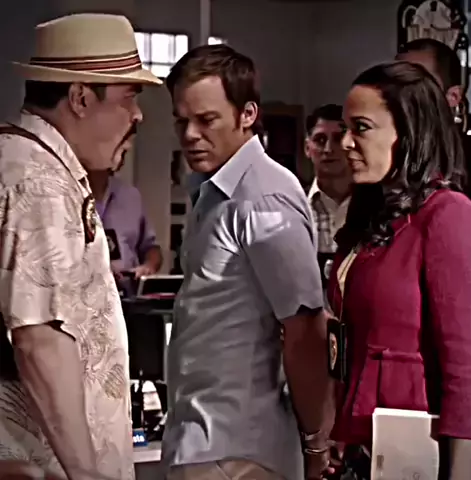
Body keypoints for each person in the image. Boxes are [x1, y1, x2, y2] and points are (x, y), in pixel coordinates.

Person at [161, 44, 335, 480]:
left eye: (206, 120)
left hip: (239, 447)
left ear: (248, 114)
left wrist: (316, 442)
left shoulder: (263, 196)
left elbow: (305, 327)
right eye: (181, 121)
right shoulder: (213, 190)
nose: (190, 135)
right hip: (204, 437)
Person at [0, 13, 161, 480]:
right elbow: (40, 338)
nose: (138, 115)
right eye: (129, 96)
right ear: (81, 98)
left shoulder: (37, 166)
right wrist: (86, 474)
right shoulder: (38, 182)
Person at [327, 61, 471, 479]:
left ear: (409, 132)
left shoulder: (448, 215)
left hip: (416, 454)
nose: (345, 143)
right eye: (345, 128)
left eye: (361, 128)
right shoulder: (375, 218)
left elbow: (468, 367)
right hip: (364, 451)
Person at [396, 38, 471, 205]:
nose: (401, 93)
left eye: (417, 82)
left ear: (453, 96)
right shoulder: (381, 159)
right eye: (394, 82)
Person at [87, 139, 163, 291]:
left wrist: (148, 267)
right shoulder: (63, 195)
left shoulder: (130, 195)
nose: (127, 146)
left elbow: (151, 248)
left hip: (127, 295)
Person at [304, 104, 352, 287]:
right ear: (307, 148)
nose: (328, 149)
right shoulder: (293, 205)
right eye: (320, 139)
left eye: (338, 139)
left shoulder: (376, 207)